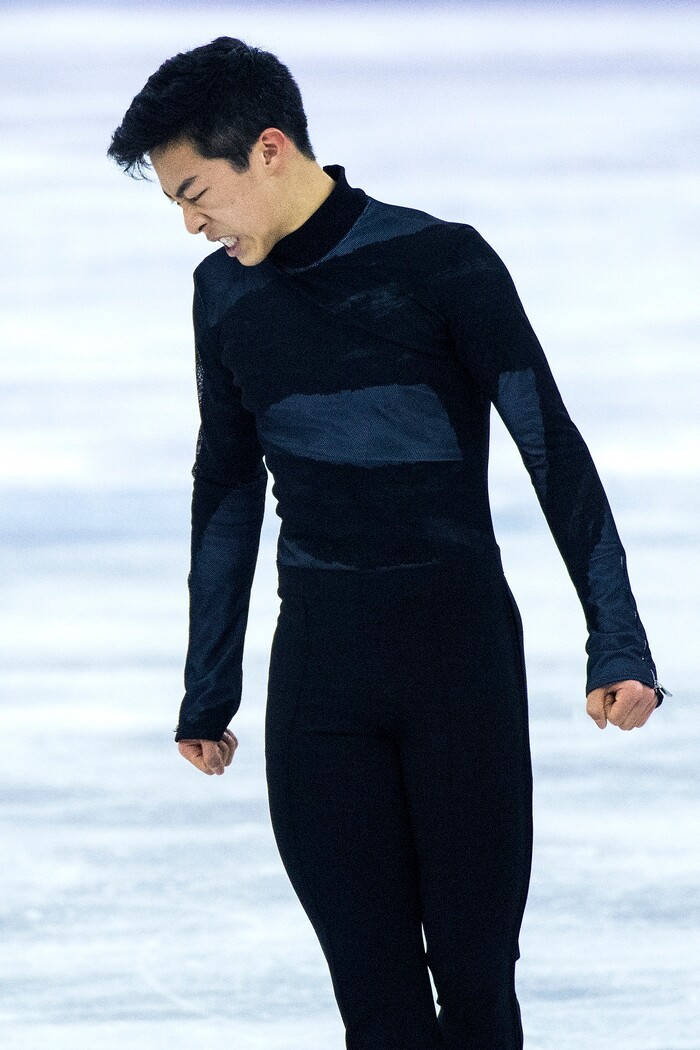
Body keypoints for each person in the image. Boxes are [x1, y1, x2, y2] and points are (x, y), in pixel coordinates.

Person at [107, 36, 669, 1050]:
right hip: (321, 680)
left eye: (195, 193)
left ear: (268, 149)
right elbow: (227, 488)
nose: (191, 223)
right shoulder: (223, 295)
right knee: (377, 1008)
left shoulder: (441, 261)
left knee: (476, 991)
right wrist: (208, 691)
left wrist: (617, 642)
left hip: (459, 670)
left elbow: (550, 446)